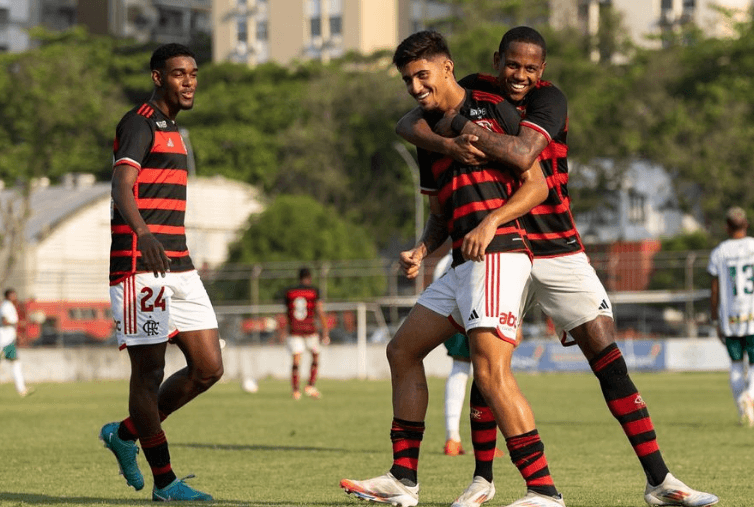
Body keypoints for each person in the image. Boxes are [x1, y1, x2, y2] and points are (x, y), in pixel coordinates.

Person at [396, 25, 718, 507]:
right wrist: (443, 146)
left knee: (605, 353)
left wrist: (463, 133)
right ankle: (484, 479)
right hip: (501, 245)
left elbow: (524, 153)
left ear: (541, 70)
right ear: (496, 59)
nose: (520, 75)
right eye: (512, 65)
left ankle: (660, 480)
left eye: (530, 68)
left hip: (555, 245)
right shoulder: (473, 90)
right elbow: (410, 122)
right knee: (488, 358)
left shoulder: (551, 100)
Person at [341, 30, 565, 507]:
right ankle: (403, 481)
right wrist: (423, 249)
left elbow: (538, 187)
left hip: (501, 253)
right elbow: (442, 213)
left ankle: (544, 491)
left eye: (422, 75)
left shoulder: (495, 109)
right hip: (462, 263)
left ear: (446, 68)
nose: (415, 87)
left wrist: (491, 219)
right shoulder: (428, 136)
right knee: (402, 351)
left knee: (489, 371)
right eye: (407, 80)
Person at [98, 43, 222, 502]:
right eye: (178, 74)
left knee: (209, 368)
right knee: (148, 375)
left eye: (193, 73)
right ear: (157, 78)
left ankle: (125, 433)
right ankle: (166, 484)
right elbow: (121, 184)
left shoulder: (176, 130)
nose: (188, 81)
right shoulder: (139, 122)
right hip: (139, 266)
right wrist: (143, 234)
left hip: (180, 264)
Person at [708, 206, 754, 427]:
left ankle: (743, 409)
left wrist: (715, 319)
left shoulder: (719, 252)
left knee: (736, 363)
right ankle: (750, 397)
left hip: (731, 318)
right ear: (745, 225)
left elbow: (714, 290)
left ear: (727, 227)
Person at [284, 267, 329, 400]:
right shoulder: (314, 291)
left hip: (295, 330)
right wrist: (325, 330)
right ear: (310, 277)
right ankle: (310, 385)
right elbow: (319, 311)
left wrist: (286, 328)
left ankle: (296, 390)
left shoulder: (290, 292)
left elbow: (287, 312)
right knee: (315, 356)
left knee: (296, 359)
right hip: (310, 330)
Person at [0, 289, 31, 397]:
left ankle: (21, 388)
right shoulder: (6, 306)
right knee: (15, 364)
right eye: (13, 295)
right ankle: (21, 389)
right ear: (8, 296)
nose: (15, 297)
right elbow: (4, 321)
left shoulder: (10, 306)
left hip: (8, 341)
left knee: (16, 363)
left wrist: (17, 335)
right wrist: (18, 322)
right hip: (4, 342)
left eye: (15, 295)